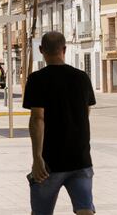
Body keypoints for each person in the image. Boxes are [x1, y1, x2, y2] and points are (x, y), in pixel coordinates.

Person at [23, 32, 96, 215]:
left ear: (41, 50)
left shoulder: (36, 79)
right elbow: (85, 113)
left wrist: (37, 158)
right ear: (64, 49)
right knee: (85, 211)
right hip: (80, 160)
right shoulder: (82, 77)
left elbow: (37, 118)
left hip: (49, 164)